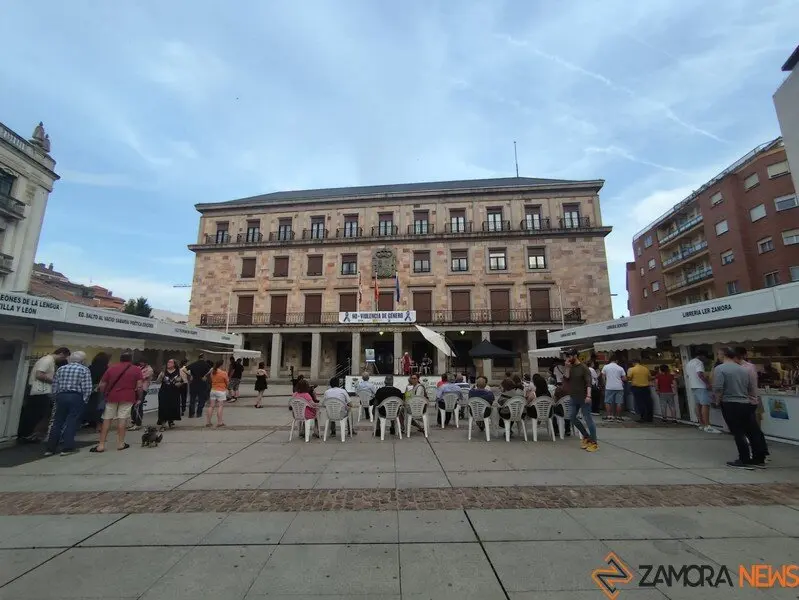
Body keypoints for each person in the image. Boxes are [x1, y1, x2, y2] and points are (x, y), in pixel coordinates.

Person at [713, 347, 767, 469]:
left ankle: (744, 458)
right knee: (750, 430)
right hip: (745, 402)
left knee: (738, 432)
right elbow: (749, 387)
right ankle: (758, 457)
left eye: (719, 354)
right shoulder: (743, 369)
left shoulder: (720, 369)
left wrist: (717, 401)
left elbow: (718, 388)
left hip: (730, 402)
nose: (718, 356)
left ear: (724, 355)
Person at [18, 347, 71, 442]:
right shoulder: (47, 360)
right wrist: (54, 381)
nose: (63, 360)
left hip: (40, 390)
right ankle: (26, 434)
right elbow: (39, 375)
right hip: (39, 391)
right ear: (62, 354)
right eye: (64, 357)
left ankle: (28, 434)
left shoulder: (48, 360)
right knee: (35, 413)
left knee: (37, 413)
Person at [44, 351, 92, 456]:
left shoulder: (61, 369)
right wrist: (85, 400)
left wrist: (55, 397)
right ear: (83, 360)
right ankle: (67, 447)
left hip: (61, 396)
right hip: (76, 396)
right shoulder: (84, 369)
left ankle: (50, 448)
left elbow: (55, 385)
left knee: (57, 422)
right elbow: (87, 387)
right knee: (72, 421)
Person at [93, 352, 143, 453]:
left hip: (111, 396)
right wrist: (139, 398)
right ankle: (120, 443)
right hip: (128, 396)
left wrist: (104, 394)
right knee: (122, 419)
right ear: (130, 359)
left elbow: (102, 384)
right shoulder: (136, 369)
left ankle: (101, 445)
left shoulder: (111, 368)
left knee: (107, 419)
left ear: (120, 359)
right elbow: (139, 386)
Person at [735, 347, 770, 462]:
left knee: (750, 429)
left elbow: (746, 386)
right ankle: (760, 453)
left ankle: (758, 454)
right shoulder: (749, 367)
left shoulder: (744, 368)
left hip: (747, 401)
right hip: (751, 400)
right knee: (752, 429)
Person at [564, 349, 598, 451]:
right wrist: (567, 367)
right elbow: (566, 378)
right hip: (573, 397)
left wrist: (588, 396)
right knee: (572, 417)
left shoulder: (584, 368)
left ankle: (594, 442)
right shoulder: (571, 367)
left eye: (570, 356)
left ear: (575, 356)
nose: (568, 359)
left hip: (584, 397)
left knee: (588, 419)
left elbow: (589, 383)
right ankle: (586, 436)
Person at [685, 350, 718, 433]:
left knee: (697, 405)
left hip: (693, 386)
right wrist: (707, 383)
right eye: (705, 357)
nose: (706, 360)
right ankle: (708, 425)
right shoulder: (699, 363)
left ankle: (701, 424)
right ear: (702, 356)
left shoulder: (689, 363)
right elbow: (700, 374)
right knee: (705, 404)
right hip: (701, 386)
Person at [85, 352, 110, 432]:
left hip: (91, 389)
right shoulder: (106, 368)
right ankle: (99, 425)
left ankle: (91, 422)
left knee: (91, 406)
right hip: (102, 390)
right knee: (100, 407)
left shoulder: (90, 367)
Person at [156, 359, 183, 429]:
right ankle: (163, 424)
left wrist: (180, 383)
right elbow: (157, 382)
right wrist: (160, 376)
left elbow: (184, 381)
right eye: (168, 362)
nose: (168, 363)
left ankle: (171, 421)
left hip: (174, 392)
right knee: (163, 407)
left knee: (173, 407)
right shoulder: (163, 372)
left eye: (170, 362)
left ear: (174, 364)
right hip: (164, 392)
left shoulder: (179, 371)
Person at [601, 355, 627, 422]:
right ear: (617, 361)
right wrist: (619, 379)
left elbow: (603, 377)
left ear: (610, 360)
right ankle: (618, 417)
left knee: (607, 402)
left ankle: (609, 417)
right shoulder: (620, 368)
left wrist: (605, 384)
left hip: (609, 386)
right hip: (619, 387)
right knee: (619, 402)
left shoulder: (605, 367)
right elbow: (624, 378)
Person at [129, 360, 153, 431]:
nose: (141, 363)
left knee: (138, 405)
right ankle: (133, 421)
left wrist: (134, 376)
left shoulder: (149, 369)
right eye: (140, 362)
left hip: (142, 388)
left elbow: (142, 377)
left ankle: (138, 423)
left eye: (142, 362)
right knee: (133, 405)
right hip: (135, 388)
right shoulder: (139, 368)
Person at [627, 358, 653, 423]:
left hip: (637, 387)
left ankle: (643, 417)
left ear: (633, 363)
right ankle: (649, 418)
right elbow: (649, 378)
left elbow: (629, 377)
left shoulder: (631, 369)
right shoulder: (646, 369)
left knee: (639, 403)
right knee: (648, 403)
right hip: (646, 387)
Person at [207, 360, 229, 427]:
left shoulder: (212, 371)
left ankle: (208, 422)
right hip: (221, 391)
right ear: (221, 365)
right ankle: (220, 422)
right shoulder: (224, 373)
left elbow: (210, 379)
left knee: (211, 406)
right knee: (220, 406)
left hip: (213, 390)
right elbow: (227, 382)